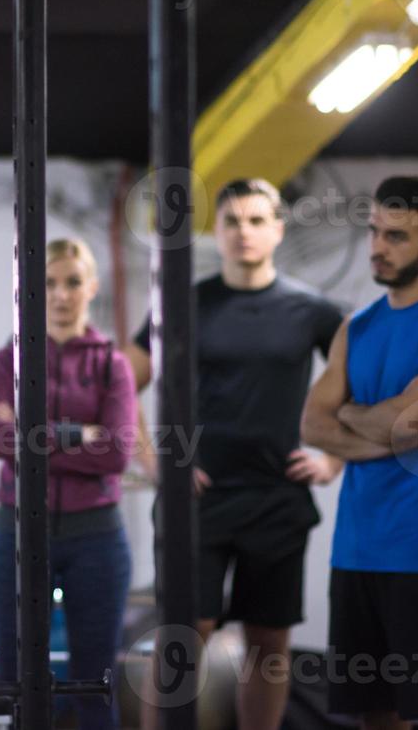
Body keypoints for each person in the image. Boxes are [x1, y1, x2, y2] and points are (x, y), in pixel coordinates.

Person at [125, 178, 343, 730]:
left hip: (277, 498)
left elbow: (362, 385)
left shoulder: (312, 310)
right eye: (231, 222)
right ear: (216, 232)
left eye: (254, 220)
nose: (243, 232)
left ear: (277, 228)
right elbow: (118, 383)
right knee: (185, 635)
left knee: (268, 642)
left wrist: (334, 459)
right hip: (197, 500)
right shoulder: (184, 304)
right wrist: (156, 464)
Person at [301, 175, 418, 730]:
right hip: (356, 550)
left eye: (397, 237)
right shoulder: (354, 327)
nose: (379, 248)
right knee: (374, 711)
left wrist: (355, 414)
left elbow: (409, 426)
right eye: (375, 232)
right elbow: (312, 423)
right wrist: (380, 425)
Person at [0, 238, 139, 730]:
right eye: (49, 283)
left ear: (91, 287)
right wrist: (75, 435)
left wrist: (28, 439)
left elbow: (116, 451)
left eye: (72, 281)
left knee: (96, 682)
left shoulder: (114, 364)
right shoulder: (10, 360)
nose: (61, 294)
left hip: (97, 539)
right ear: (31, 290)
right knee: (16, 681)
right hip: (19, 535)